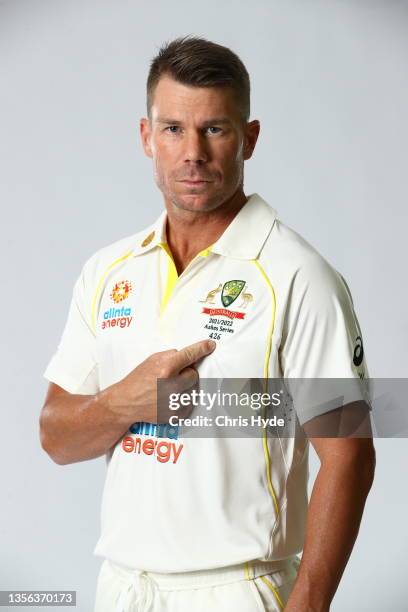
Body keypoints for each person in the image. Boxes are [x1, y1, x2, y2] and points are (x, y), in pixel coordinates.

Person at [39, 35, 376, 612]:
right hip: (122, 587)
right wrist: (127, 401)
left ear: (249, 138)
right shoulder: (107, 272)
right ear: (147, 137)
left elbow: (348, 454)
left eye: (214, 129)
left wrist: (310, 602)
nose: (191, 151)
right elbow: (55, 437)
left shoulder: (297, 275)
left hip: (236, 587)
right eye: (173, 129)